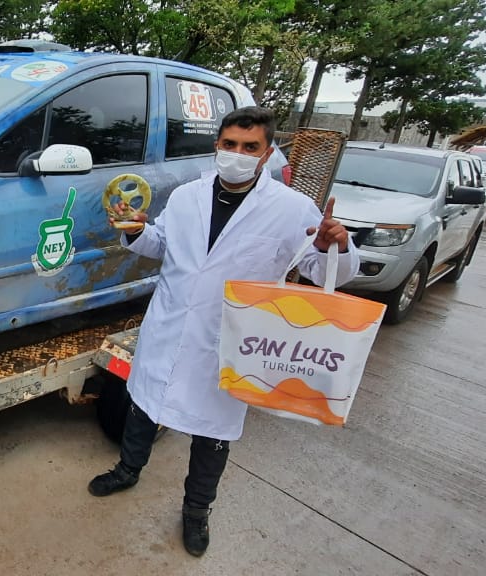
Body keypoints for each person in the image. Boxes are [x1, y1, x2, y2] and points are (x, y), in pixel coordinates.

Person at [90, 106, 358, 557]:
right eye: (229, 144)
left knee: (212, 433)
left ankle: (196, 512)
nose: (237, 154)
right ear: (217, 145)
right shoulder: (186, 196)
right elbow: (164, 245)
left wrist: (339, 244)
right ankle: (127, 469)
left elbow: (322, 268)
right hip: (170, 325)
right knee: (143, 404)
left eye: (249, 147)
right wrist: (137, 232)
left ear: (267, 152)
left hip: (229, 341)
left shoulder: (291, 209)